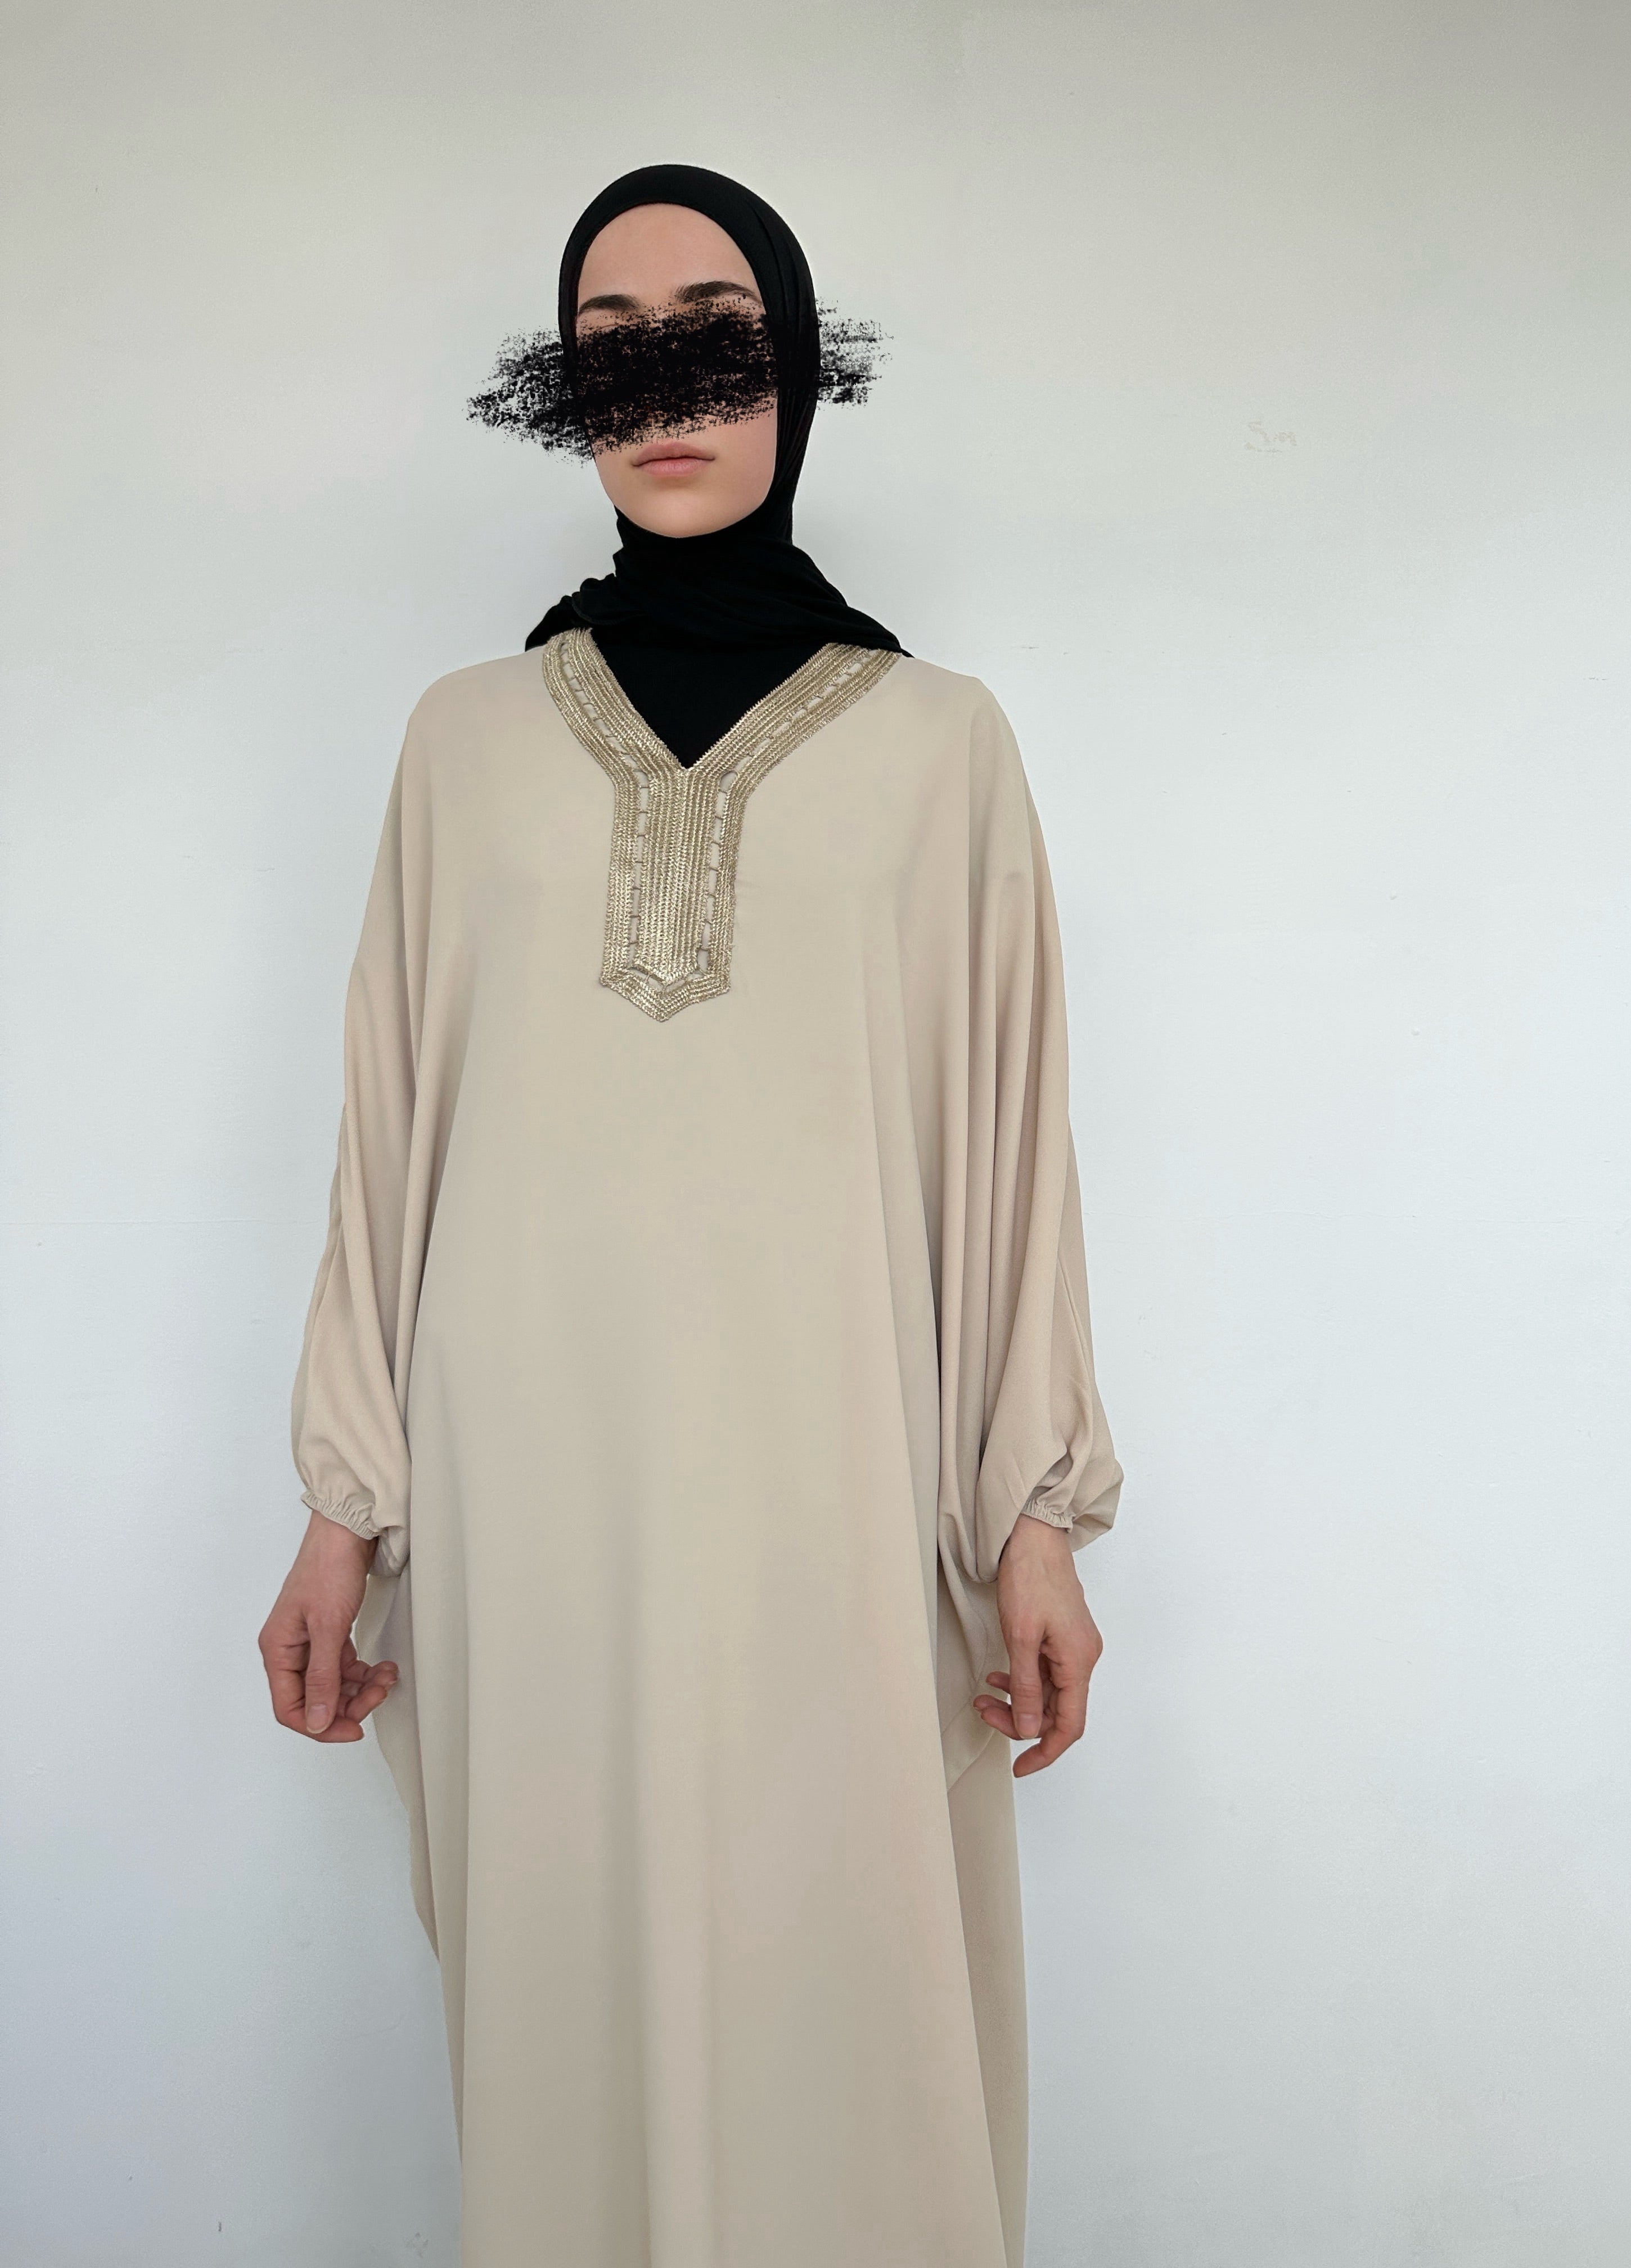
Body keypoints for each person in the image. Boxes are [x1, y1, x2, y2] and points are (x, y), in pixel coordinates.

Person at [258, 163, 1122, 2268]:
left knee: (853, 1992)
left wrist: (1032, 1513)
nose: (663, 391)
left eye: (716, 333)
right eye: (610, 345)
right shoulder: (465, 743)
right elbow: (394, 1133)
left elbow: (1010, 1146)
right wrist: (342, 1508)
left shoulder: (943, 746)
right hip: (531, 1504)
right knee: (568, 2003)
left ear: (799, 367)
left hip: (837, 1485)